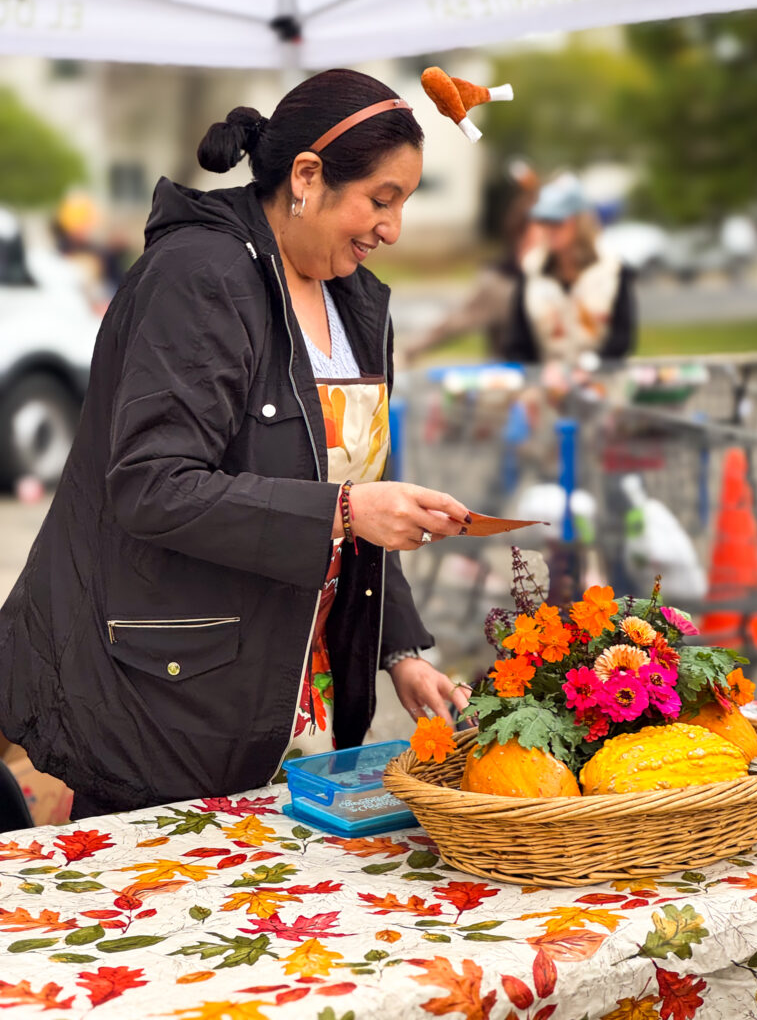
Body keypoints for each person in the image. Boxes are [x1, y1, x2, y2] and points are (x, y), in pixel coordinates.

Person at [0, 69, 473, 820]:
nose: (393, 229)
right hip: (160, 694)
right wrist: (347, 509)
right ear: (307, 176)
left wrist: (401, 653)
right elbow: (152, 484)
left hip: (275, 691)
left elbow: (346, 484)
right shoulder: (201, 277)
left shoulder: (352, 299)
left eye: (405, 203)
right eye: (381, 200)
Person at [405, 159, 541, 364]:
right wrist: (408, 351)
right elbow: (455, 323)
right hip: (510, 378)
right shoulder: (502, 283)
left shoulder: (555, 276)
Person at [504, 173, 636, 366]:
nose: (550, 229)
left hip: (603, 383)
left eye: (557, 221)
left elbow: (622, 339)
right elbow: (517, 342)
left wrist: (591, 368)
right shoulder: (531, 271)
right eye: (544, 221)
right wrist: (541, 373)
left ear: (580, 222)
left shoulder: (612, 269)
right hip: (547, 386)